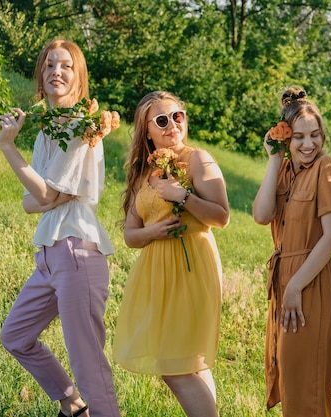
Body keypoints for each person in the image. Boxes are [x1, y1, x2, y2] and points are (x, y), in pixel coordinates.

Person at [0, 39, 120, 417]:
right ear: (41, 74)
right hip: (50, 256)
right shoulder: (49, 131)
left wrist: (7, 147)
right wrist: (51, 195)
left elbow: (44, 194)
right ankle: (72, 404)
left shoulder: (83, 125)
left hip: (77, 252)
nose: (56, 72)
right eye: (49, 66)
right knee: (15, 336)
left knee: (88, 364)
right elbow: (31, 202)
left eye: (65, 65)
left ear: (78, 75)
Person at [112, 91, 228, 417]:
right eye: (162, 120)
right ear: (146, 130)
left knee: (174, 367)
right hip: (157, 275)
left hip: (193, 267)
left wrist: (182, 196)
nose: (172, 125)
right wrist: (151, 233)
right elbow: (130, 235)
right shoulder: (141, 175)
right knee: (189, 361)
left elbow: (221, 216)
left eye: (178, 116)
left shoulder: (198, 159)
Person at [253, 87, 331, 416]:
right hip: (283, 283)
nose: (309, 144)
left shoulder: (328, 170)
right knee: (291, 381)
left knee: (308, 389)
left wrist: (296, 286)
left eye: (315, 135)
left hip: (311, 282)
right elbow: (262, 215)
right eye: (299, 137)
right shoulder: (282, 169)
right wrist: (274, 159)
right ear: (285, 139)